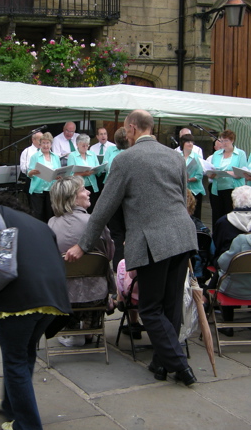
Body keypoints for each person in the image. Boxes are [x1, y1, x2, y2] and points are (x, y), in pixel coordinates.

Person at [65, 109, 199, 387]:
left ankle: (179, 365)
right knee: (171, 306)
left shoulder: (125, 159)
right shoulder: (175, 156)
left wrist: (83, 244)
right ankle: (161, 363)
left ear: (131, 129)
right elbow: (184, 196)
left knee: (150, 309)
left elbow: (103, 208)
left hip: (153, 240)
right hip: (184, 235)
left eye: (125, 130)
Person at [0, 193, 72, 430]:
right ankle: (9, 406)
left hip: (19, 301)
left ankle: (28, 426)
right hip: (52, 300)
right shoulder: (37, 222)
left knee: (14, 360)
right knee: (24, 354)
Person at [48, 176, 115, 346]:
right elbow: (110, 254)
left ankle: (73, 329)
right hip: (96, 295)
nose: (89, 192)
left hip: (63, 296)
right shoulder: (94, 223)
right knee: (96, 275)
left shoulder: (51, 225)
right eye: (84, 189)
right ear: (72, 197)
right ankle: (89, 328)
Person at [208, 130, 247, 226]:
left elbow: (243, 172)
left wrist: (228, 173)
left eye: (226, 141)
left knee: (231, 216)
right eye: (222, 141)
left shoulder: (240, 154)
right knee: (217, 216)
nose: (223, 143)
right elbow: (212, 168)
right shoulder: (217, 154)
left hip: (233, 189)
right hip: (217, 188)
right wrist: (211, 173)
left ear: (232, 140)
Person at [104, 127, 130, 271]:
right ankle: (119, 266)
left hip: (125, 195)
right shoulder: (111, 151)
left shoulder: (131, 152)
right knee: (117, 232)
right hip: (115, 194)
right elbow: (107, 168)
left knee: (125, 231)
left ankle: (125, 265)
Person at [27, 132, 61, 222]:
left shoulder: (56, 157)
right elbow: (29, 173)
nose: (46, 145)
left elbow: (58, 171)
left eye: (48, 143)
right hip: (38, 189)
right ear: (40, 144)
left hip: (52, 189)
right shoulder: (35, 156)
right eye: (44, 143)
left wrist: (58, 176)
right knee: (38, 214)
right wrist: (32, 172)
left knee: (50, 214)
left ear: (51, 144)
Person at [67, 133, 101, 212]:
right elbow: (70, 175)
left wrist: (98, 170)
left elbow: (97, 169)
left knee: (93, 209)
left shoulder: (92, 154)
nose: (85, 147)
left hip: (92, 186)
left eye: (87, 145)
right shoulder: (72, 156)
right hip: (79, 188)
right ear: (77, 144)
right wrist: (83, 174)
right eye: (83, 145)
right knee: (81, 210)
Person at [180, 134, 206, 220]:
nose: (190, 144)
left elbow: (199, 175)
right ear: (183, 143)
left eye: (192, 142)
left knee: (195, 216)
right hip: (181, 190)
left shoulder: (197, 157)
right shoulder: (177, 156)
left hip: (195, 190)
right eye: (188, 141)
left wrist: (189, 179)